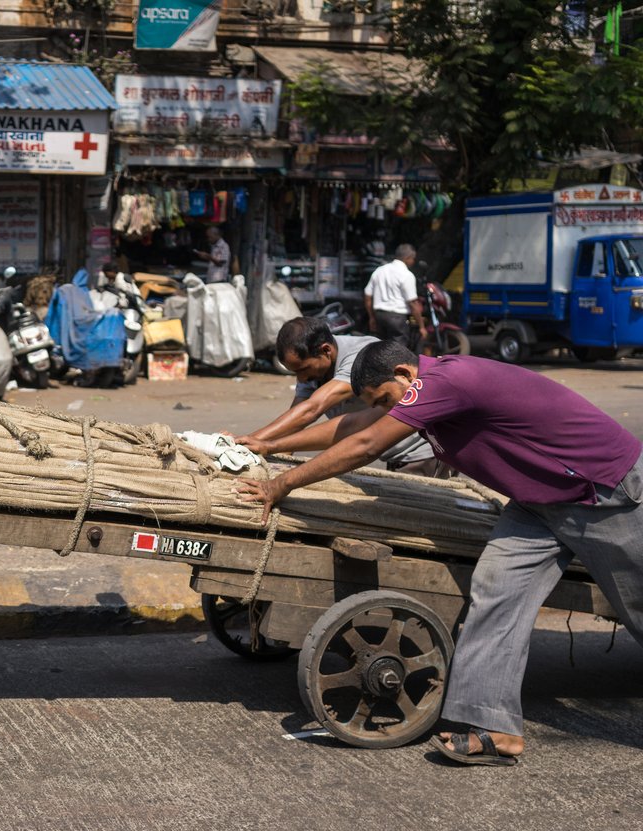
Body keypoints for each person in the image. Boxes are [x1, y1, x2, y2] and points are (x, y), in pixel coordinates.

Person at [235, 341, 643, 766]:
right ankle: (495, 727)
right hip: (537, 502)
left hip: (604, 491)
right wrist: (270, 445)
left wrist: (282, 484)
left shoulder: (447, 380)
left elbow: (367, 444)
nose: (385, 409)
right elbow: (356, 425)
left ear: (404, 375)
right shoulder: (421, 389)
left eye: (385, 399)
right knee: (497, 590)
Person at [234, 317, 448, 478]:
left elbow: (312, 409)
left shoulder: (359, 357)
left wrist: (248, 442)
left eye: (303, 369)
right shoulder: (313, 372)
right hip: (389, 453)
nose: (301, 378)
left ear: (325, 350)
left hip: (422, 453)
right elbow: (295, 418)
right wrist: (269, 459)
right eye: (295, 372)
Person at [364, 244, 425, 348]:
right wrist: (421, 326)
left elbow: (367, 296)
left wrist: (372, 318)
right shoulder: (406, 274)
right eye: (413, 259)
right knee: (397, 351)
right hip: (397, 319)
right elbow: (413, 303)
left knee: (381, 349)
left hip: (379, 316)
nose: (413, 262)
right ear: (407, 258)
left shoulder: (380, 271)